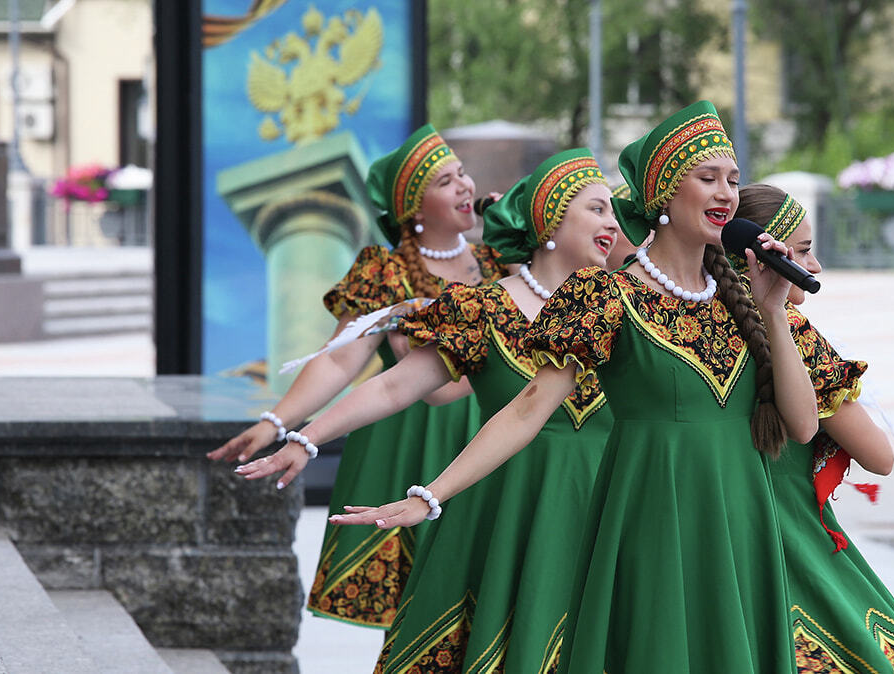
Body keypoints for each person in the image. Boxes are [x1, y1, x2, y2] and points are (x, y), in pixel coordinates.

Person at [330, 101, 820, 672]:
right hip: (651, 519)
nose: (725, 195)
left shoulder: (748, 297)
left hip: (741, 524)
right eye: (707, 178)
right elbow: (526, 409)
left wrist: (772, 310)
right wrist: (430, 495)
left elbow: (803, 425)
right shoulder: (604, 297)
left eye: (732, 181)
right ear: (662, 195)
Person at [242, 149, 619, 672]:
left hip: (609, 506)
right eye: (598, 209)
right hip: (502, 503)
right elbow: (393, 387)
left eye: (615, 211)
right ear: (551, 218)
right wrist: (304, 437)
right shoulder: (484, 307)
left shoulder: (624, 306)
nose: (613, 223)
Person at [208, 124, 505, 629]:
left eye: (462, 175)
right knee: (416, 599)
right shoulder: (387, 272)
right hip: (410, 437)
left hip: (493, 426)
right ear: (414, 208)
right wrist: (278, 422)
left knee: (489, 592)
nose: (464, 187)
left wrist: (514, 220)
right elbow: (339, 359)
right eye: (444, 182)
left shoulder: (501, 262)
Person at [736, 183, 894, 672]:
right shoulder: (792, 333)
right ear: (767, 256)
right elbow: (880, 457)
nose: (814, 267)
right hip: (790, 533)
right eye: (804, 252)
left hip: (718, 527)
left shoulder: (696, 319)